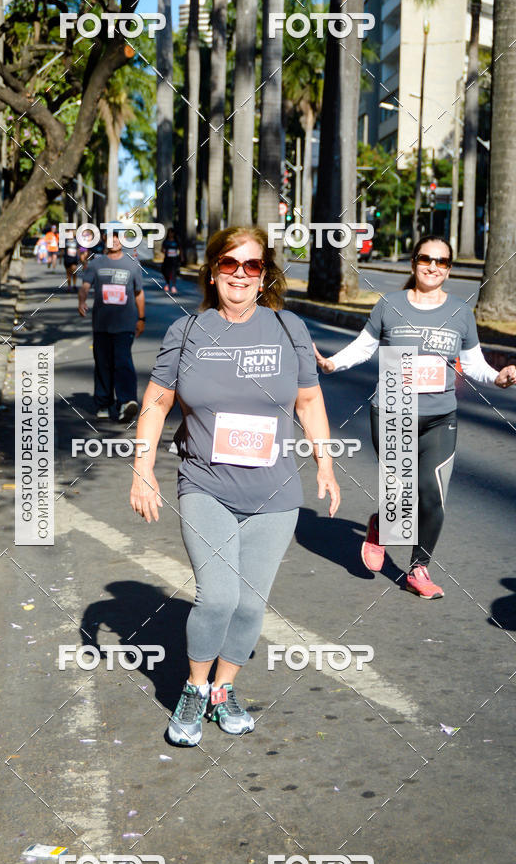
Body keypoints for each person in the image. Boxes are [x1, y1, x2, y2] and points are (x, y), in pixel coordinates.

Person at [129, 225, 340, 747]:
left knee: (250, 605)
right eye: (229, 264)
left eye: (251, 265)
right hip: (206, 483)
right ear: (213, 270)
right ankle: (195, 689)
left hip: (275, 492)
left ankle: (224, 690)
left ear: (265, 274)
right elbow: (156, 404)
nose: (240, 274)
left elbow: (309, 403)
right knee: (218, 598)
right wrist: (142, 469)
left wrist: (326, 464)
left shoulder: (290, 329)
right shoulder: (188, 332)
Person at [314, 234, 516, 599]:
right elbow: (363, 348)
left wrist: (499, 378)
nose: (433, 267)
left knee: (433, 494)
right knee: (401, 495)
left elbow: (475, 366)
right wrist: (332, 363)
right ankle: (382, 526)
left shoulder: (460, 312)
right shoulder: (389, 305)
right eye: (426, 259)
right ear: (414, 262)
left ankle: (419, 567)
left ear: (449, 269)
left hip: (441, 416)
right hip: (393, 411)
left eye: (442, 262)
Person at [78, 223, 145, 422]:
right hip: (101, 324)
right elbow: (85, 286)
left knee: (123, 361)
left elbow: (139, 294)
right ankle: (103, 403)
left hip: (125, 324)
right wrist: (81, 301)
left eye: (118, 236)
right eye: (110, 236)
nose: (114, 240)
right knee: (103, 364)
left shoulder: (132, 265)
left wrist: (141, 318)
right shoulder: (96, 264)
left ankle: (126, 402)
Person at [161, 227, 181, 294]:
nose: (171, 234)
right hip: (167, 259)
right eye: (170, 233)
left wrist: (181, 256)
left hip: (174, 259)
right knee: (166, 272)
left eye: (172, 233)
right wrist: (164, 251)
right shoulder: (166, 241)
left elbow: (180, 249)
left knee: (174, 272)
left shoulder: (176, 241)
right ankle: (167, 283)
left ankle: (173, 286)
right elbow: (162, 249)